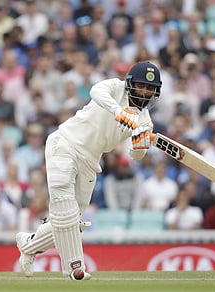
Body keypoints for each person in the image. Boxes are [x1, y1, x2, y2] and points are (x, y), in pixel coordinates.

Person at [16, 61, 163, 280]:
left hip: (90, 161)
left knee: (69, 220)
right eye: (142, 86)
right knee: (64, 204)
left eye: (150, 88)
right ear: (131, 83)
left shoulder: (145, 121)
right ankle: (75, 268)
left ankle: (28, 244)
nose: (145, 92)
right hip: (65, 143)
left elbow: (135, 156)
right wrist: (118, 111)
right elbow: (96, 91)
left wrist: (139, 147)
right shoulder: (116, 87)